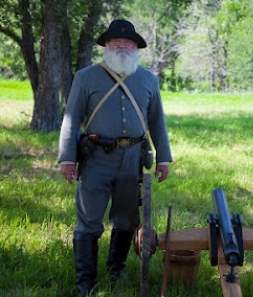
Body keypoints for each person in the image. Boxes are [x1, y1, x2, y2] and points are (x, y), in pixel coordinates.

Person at [58, 19, 172, 297]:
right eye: (116, 42)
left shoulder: (148, 79)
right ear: (106, 46)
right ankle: (86, 283)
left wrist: (164, 158)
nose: (122, 46)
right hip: (95, 157)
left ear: (136, 47)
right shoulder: (86, 77)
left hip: (132, 158)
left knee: (126, 219)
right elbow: (71, 119)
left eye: (128, 42)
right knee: (89, 220)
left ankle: (115, 272)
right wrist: (67, 158)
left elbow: (157, 121)